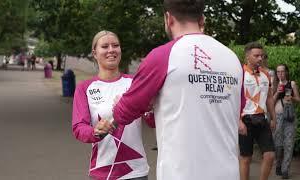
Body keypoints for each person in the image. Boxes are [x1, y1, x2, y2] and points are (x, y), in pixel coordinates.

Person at [112, 0, 244, 179]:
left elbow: (122, 114)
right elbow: (233, 111)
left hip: (181, 173)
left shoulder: (162, 56)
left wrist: (124, 104)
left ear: (168, 18)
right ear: (202, 19)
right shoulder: (232, 59)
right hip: (228, 173)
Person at [72, 30, 153, 180]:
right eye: (105, 46)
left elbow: (152, 121)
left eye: (115, 45)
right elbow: (79, 128)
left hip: (136, 171)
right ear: (94, 53)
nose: (111, 50)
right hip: (102, 172)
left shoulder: (135, 83)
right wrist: (95, 131)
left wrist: (149, 109)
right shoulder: (85, 88)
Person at [239, 42, 277, 180]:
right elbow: (233, 99)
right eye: (256, 56)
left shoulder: (266, 75)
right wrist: (238, 121)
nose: (260, 58)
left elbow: (269, 98)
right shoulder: (239, 73)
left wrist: (273, 117)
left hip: (262, 118)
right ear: (247, 57)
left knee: (270, 155)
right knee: (246, 158)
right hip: (245, 120)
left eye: (262, 55)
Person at [272, 64, 300, 179]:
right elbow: (271, 102)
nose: (280, 74)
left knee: (289, 143)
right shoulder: (273, 85)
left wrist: (292, 98)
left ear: (286, 72)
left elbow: (298, 99)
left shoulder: (291, 84)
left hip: (289, 117)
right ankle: (278, 163)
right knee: (278, 144)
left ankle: (285, 170)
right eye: (278, 72)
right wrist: (278, 92)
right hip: (277, 117)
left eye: (282, 71)